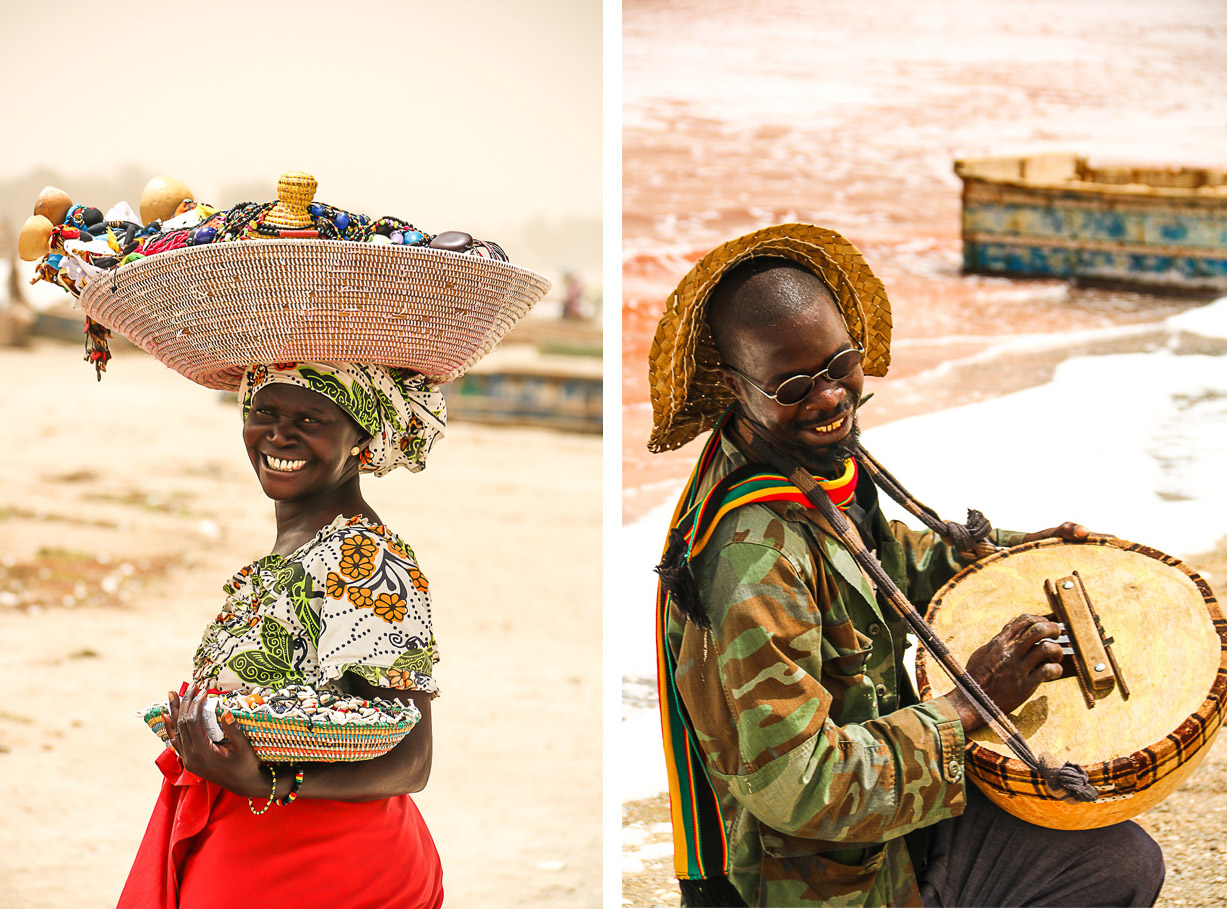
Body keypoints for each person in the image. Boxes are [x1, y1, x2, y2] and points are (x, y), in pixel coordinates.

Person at [25, 171, 549, 906]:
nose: (279, 434)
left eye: (311, 419)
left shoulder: (365, 557)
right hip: (252, 836)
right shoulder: (298, 549)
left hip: (322, 860)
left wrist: (271, 778)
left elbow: (412, 759)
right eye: (264, 411)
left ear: (361, 437)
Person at [647, 223, 1165, 908]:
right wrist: (968, 700)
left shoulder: (800, 459)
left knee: (1116, 858)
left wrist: (1015, 550)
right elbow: (800, 785)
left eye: (838, 364)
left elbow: (886, 560)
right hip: (816, 882)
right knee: (1106, 864)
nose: (829, 397)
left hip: (879, 830)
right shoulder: (751, 557)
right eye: (793, 383)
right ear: (732, 384)